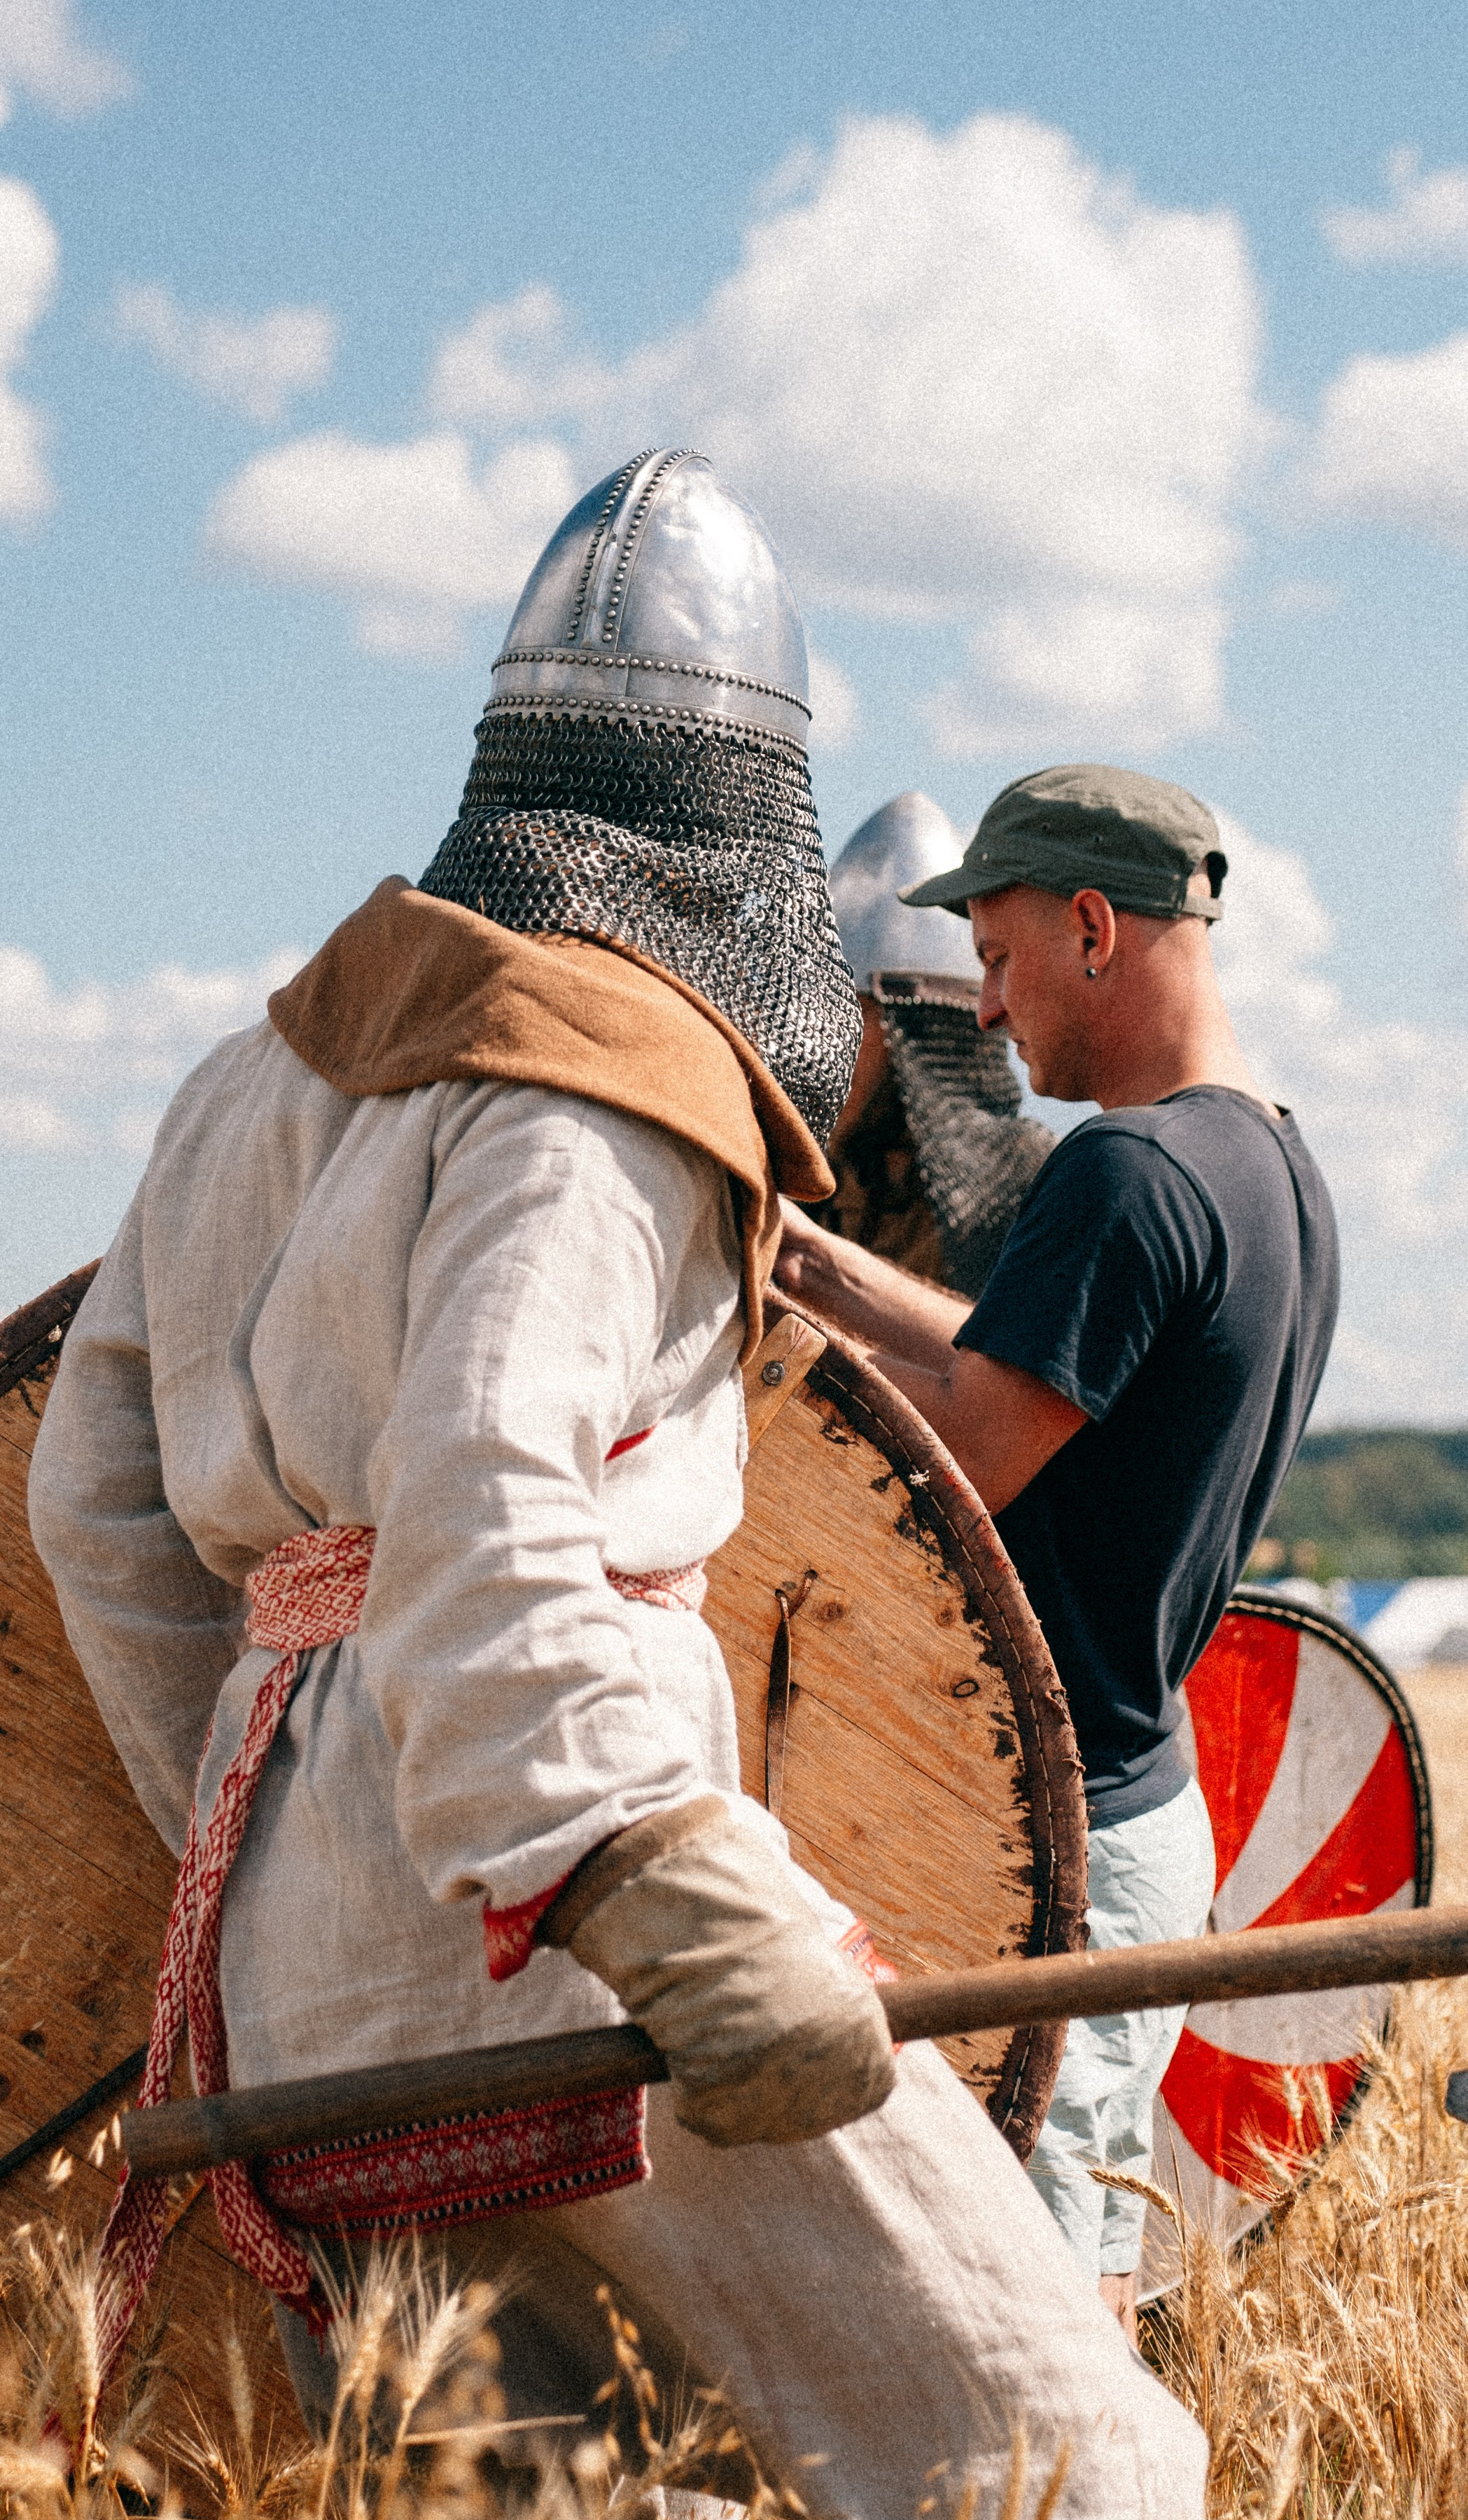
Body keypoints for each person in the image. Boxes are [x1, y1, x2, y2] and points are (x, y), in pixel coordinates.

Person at [28, 467, 1206, 2520]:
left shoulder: (251, 1077)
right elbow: (488, 1503)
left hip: (296, 1951)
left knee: (544, 2493)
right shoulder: (603, 1075)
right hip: (568, 1921)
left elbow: (99, 1512)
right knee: (1062, 2452)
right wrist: (665, 1892)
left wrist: (261, 1810)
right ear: (739, 814)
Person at [776, 762, 1340, 2341]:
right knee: (1068, 2294)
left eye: (1005, 953)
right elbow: (1038, 1375)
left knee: (1014, 2350)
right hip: (1146, 1813)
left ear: (1093, 927)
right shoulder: (1268, 1167)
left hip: (1045, 1843)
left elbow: (949, 1459)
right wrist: (817, 1262)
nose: (989, 1002)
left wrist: (752, 1346)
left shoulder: (1120, 1173)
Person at [816, 791, 1053, 1293]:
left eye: (848, 1016)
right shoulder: (806, 1173)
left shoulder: (1025, 1187)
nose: (823, 1044)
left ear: (921, 1032)